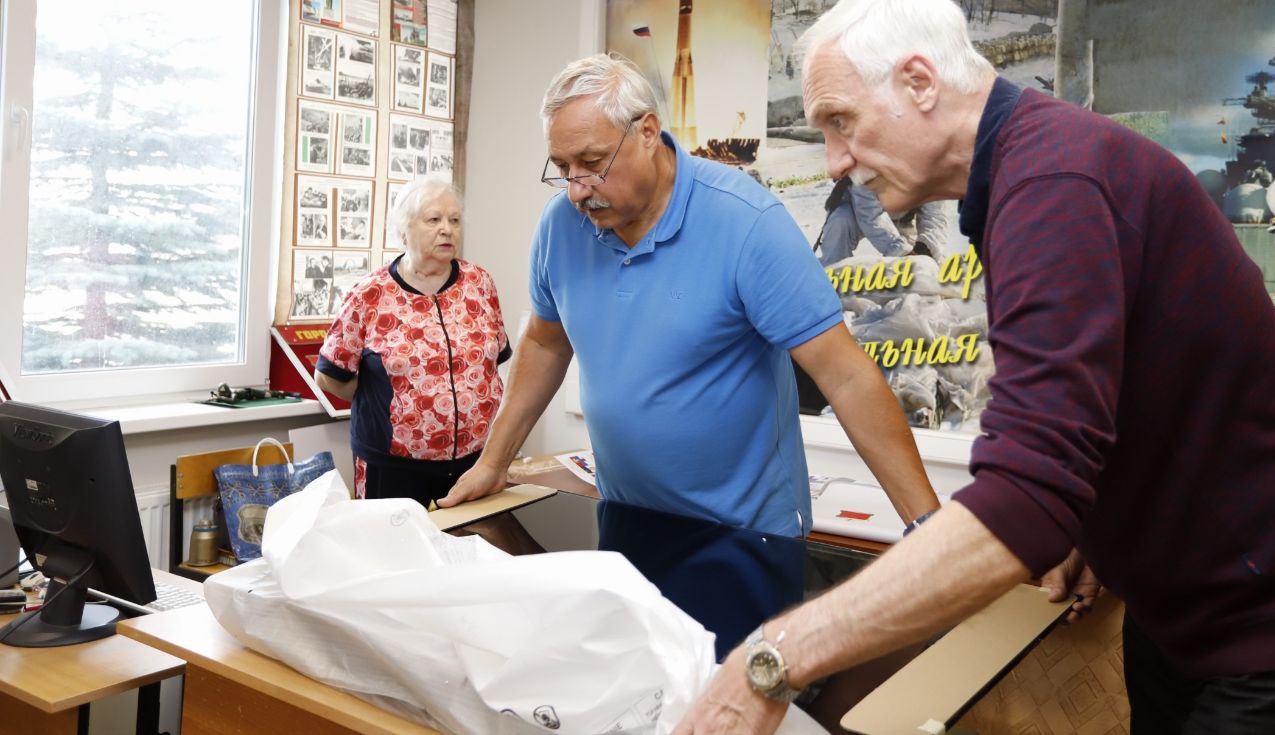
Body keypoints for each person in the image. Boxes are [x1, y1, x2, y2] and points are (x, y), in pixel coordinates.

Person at [677, 0, 1275, 734]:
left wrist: (773, 657)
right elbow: (1111, 397)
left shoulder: (1054, 181)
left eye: (841, 121)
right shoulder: (1026, 171)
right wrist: (1092, 522)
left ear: (919, 82)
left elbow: (1027, 497)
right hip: (1177, 615)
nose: (833, 161)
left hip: (1255, 633)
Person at [441, 53, 939, 538]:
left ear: (648, 132)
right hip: (628, 520)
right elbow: (547, 343)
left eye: (591, 163)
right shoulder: (561, 225)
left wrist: (928, 530)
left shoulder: (747, 222)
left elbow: (848, 377)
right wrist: (494, 462)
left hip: (746, 536)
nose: (575, 189)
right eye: (562, 166)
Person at [315, 180, 511, 507]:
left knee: (470, 552)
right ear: (402, 230)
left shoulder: (480, 283)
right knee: (394, 555)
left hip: (476, 462)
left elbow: (495, 360)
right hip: (393, 467)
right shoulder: (370, 294)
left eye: (455, 220)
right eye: (434, 220)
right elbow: (330, 376)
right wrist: (391, 399)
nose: (447, 230)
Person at [815, 175, 950, 265]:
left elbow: (935, 217)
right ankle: (833, 275)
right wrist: (901, 250)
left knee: (916, 266)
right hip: (855, 209)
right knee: (841, 220)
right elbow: (870, 215)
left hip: (902, 218)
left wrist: (925, 249)